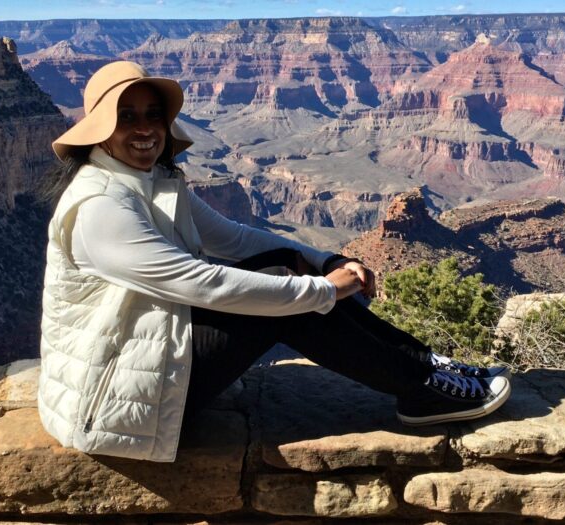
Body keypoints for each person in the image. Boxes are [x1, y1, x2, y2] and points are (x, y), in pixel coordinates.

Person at [38, 61, 511, 462]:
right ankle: (422, 390)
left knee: (284, 259)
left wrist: (327, 259)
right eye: (126, 117)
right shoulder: (100, 206)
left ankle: (424, 365)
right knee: (291, 304)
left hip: (148, 357)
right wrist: (329, 289)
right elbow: (205, 285)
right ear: (100, 130)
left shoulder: (155, 183)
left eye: (153, 115)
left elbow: (238, 239)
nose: (144, 129)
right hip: (109, 403)